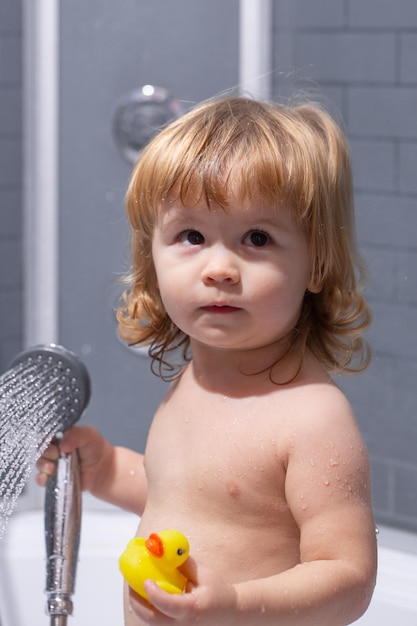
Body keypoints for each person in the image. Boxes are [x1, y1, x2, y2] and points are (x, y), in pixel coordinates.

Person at [37, 96, 377, 625]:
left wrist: (237, 604)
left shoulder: (311, 418)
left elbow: (347, 577)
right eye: (191, 236)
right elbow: (190, 498)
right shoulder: (193, 381)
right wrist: (103, 469)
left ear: (317, 263)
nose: (220, 267)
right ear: (151, 257)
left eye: (257, 238)